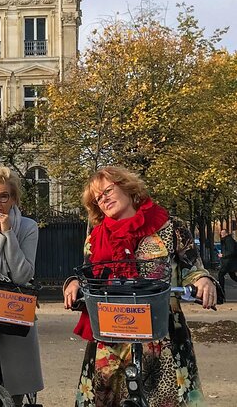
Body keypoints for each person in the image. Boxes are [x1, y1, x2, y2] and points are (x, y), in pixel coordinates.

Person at [63, 166, 218, 407]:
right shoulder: (96, 236)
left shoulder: (170, 226)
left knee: (167, 399)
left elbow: (192, 268)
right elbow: (88, 274)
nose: (103, 199)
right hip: (111, 335)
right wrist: (74, 283)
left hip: (161, 332)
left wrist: (202, 281)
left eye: (107, 191)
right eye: (97, 199)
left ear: (126, 186)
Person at [0, 166, 44, 406]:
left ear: (14, 198)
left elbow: (23, 275)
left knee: (14, 385)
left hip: (14, 308)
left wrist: (8, 234)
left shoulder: (27, 227)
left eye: (4, 196)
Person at [218, 229, 237, 296]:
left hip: (229, 262)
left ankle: (221, 292)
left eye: (223, 233)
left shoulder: (228, 240)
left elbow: (231, 251)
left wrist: (223, 255)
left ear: (226, 233)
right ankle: (222, 291)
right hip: (229, 262)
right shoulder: (226, 240)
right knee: (233, 276)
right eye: (221, 233)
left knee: (220, 275)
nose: (221, 235)